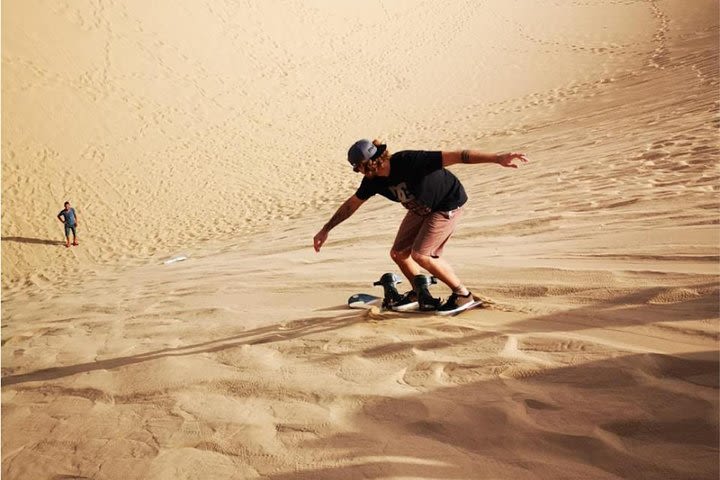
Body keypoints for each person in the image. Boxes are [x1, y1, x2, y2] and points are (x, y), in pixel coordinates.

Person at [313, 139, 527, 314]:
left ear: (369, 163)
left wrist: (497, 158)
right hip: (420, 209)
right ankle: (420, 292)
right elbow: (352, 204)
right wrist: (326, 229)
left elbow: (459, 155)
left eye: (357, 167)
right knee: (398, 253)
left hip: (447, 203)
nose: (357, 172)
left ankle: (463, 295)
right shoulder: (373, 181)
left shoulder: (409, 160)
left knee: (421, 255)